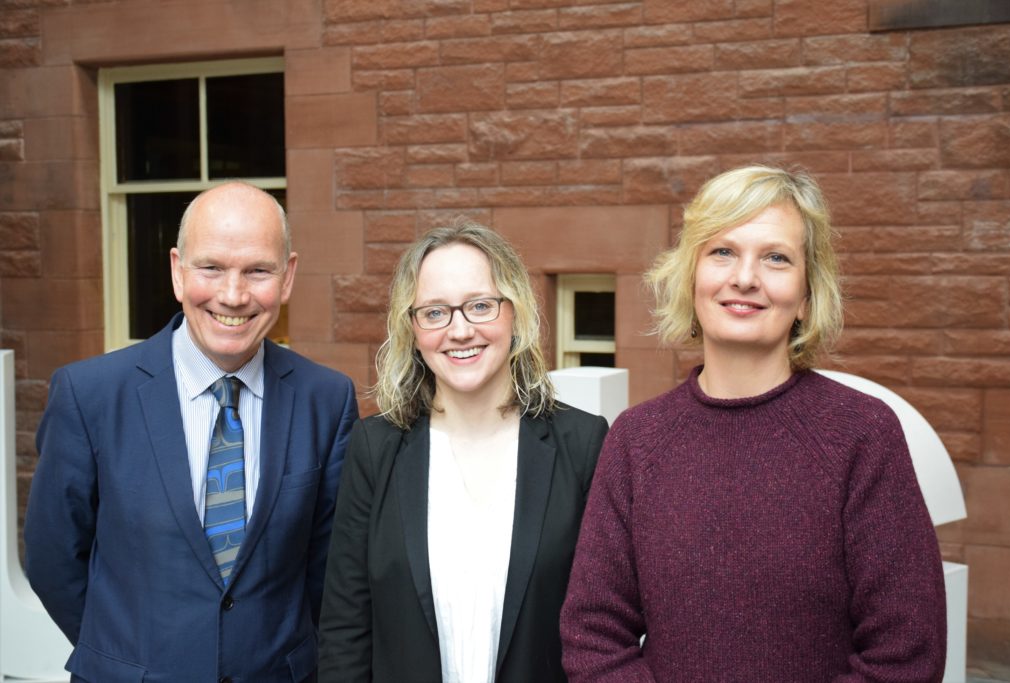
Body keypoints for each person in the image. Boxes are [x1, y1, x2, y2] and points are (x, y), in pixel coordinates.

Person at [560, 165, 947, 682]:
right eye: (722, 251)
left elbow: (906, 651)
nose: (745, 277)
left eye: (776, 258)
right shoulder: (637, 440)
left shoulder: (861, 434)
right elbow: (594, 635)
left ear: (808, 295)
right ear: (690, 278)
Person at [24, 181, 359, 682]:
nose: (233, 294)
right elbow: (54, 558)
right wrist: (123, 658)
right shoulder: (89, 394)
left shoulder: (327, 399)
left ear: (287, 277)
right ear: (178, 271)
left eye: (258, 271)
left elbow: (328, 568)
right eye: (211, 268)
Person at [318, 220, 609, 682]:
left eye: (479, 306)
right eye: (435, 312)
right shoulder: (375, 449)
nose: (459, 330)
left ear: (515, 314)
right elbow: (345, 629)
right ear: (412, 329)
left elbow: (603, 626)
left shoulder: (584, 444)